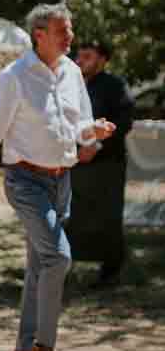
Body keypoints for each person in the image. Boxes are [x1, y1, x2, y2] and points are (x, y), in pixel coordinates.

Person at [0, 3, 115, 351]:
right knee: (58, 258)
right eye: (62, 31)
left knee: (40, 264)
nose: (70, 37)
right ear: (39, 34)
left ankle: (23, 348)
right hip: (25, 180)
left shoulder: (71, 72)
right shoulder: (13, 77)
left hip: (60, 181)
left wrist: (92, 130)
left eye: (69, 30)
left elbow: (77, 124)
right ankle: (45, 348)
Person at [65, 37, 135, 286]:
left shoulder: (115, 86)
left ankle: (111, 272)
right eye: (79, 56)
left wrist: (96, 146)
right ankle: (66, 265)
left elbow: (124, 120)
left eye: (88, 57)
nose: (80, 61)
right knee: (72, 215)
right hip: (74, 163)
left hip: (107, 164)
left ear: (103, 60)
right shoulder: (69, 85)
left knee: (107, 216)